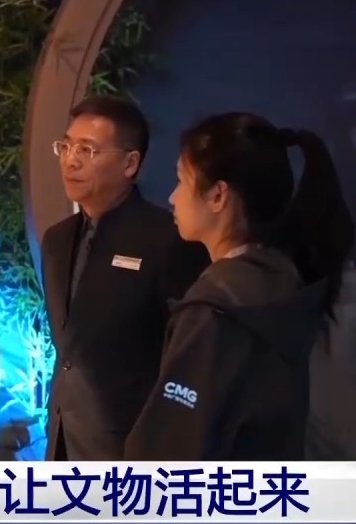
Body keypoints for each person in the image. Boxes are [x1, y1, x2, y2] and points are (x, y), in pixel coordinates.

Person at [123, 112, 355, 460]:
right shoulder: (285, 282)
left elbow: (168, 450)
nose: (172, 197)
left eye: (181, 181)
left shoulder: (213, 310)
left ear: (218, 195)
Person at [41, 95, 209, 461]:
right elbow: (69, 352)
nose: (71, 160)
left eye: (87, 150)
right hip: (62, 442)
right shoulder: (56, 240)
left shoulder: (168, 239)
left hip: (133, 450)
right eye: (66, 146)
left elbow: (187, 360)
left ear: (130, 163)